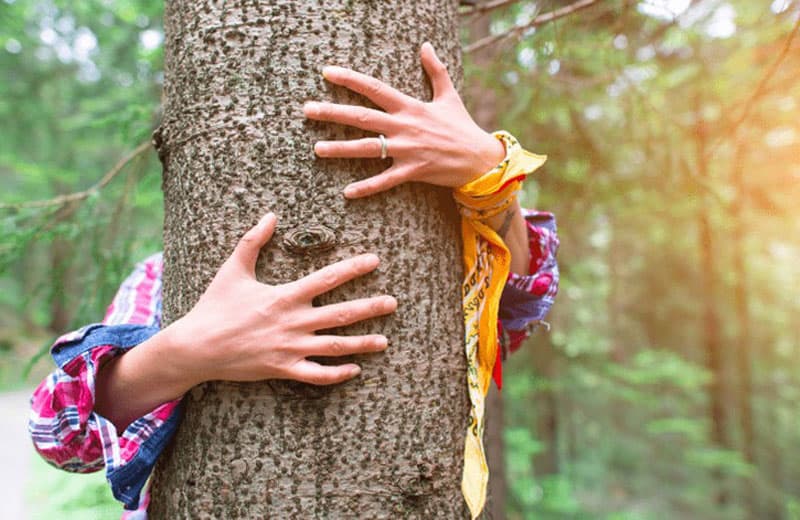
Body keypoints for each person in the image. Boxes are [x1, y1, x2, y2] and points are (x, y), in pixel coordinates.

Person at [28, 43, 559, 517]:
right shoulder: (164, 279)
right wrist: (192, 350)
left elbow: (517, 306)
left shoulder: (448, 245)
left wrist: (492, 174)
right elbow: (62, 437)